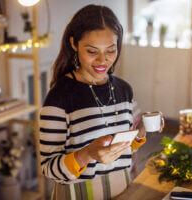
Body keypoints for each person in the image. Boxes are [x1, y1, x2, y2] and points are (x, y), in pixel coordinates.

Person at [39, 4, 161, 199]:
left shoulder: (124, 90)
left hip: (123, 191)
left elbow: (127, 145)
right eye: (92, 51)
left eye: (110, 51)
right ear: (74, 44)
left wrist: (141, 132)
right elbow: (48, 168)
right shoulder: (60, 97)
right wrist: (87, 154)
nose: (102, 61)